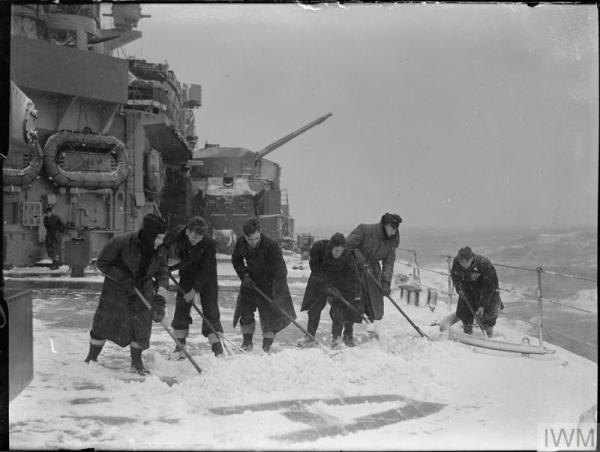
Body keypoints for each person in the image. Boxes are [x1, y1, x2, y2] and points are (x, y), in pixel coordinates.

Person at [84, 213, 169, 375]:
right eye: (158, 237)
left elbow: (163, 274)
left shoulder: (160, 250)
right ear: (149, 235)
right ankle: (91, 358)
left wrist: (159, 302)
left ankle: (136, 363)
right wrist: (122, 277)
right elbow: (102, 263)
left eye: (162, 237)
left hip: (143, 291)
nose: (161, 241)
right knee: (104, 325)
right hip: (117, 292)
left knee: (141, 327)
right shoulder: (121, 242)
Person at [231, 217, 296, 352]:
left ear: (260, 232)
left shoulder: (271, 246)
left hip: (270, 284)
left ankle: (266, 347)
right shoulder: (241, 243)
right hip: (250, 282)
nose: (253, 242)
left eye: (256, 238)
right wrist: (244, 275)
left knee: (269, 317)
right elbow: (236, 261)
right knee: (246, 311)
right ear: (244, 236)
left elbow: (281, 272)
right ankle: (247, 343)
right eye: (250, 239)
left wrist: (276, 295)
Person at [166, 216, 223, 357]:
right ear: (187, 231)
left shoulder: (209, 244)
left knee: (210, 308)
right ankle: (180, 347)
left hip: (207, 276)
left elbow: (205, 270)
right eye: (193, 237)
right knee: (181, 307)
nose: (196, 241)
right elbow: (164, 246)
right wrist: (164, 267)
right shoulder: (177, 234)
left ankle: (217, 347)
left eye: (199, 238)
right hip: (187, 273)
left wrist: (195, 290)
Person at [298, 233, 362, 348]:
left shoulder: (347, 256)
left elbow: (354, 276)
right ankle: (309, 337)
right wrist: (324, 283)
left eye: (340, 250)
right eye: (336, 250)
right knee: (315, 308)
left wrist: (356, 295)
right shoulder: (319, 248)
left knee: (338, 311)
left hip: (338, 283)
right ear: (331, 247)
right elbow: (315, 268)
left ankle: (336, 340)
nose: (338, 253)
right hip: (319, 280)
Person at [346, 212, 402, 339]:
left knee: (374, 306)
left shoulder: (392, 241)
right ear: (386, 225)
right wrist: (359, 259)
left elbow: (389, 263)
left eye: (396, 229)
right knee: (354, 303)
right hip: (355, 270)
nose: (394, 232)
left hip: (373, 272)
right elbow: (347, 246)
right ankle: (347, 335)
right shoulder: (365, 230)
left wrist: (386, 283)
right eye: (392, 229)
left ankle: (372, 335)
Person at [449, 246, 503, 337]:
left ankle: (488, 335)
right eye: (461, 262)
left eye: (465, 262)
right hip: (468, 288)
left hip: (488, 291)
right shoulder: (457, 262)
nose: (462, 264)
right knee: (465, 313)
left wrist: (482, 305)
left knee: (488, 317)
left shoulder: (484, 264)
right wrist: (459, 290)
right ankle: (467, 333)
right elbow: (455, 276)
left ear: (471, 259)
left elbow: (490, 286)